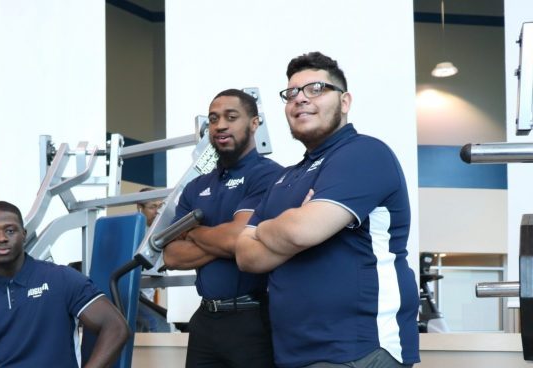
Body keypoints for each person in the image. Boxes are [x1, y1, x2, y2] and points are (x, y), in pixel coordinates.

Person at [235, 51, 420, 367]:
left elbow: (301, 231)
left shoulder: (364, 154)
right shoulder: (285, 177)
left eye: (315, 89)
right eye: (291, 93)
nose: (300, 99)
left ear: (345, 102)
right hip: (294, 353)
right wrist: (294, 226)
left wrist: (269, 229)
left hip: (360, 350)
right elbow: (244, 254)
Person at [163, 88, 284, 367]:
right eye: (213, 119)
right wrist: (229, 238)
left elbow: (235, 239)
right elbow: (171, 256)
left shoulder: (269, 175)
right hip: (205, 320)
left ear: (254, 123)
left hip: (252, 319)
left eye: (231, 117)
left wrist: (192, 231)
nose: (220, 125)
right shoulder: (197, 187)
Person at [0, 201, 129, 367]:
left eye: (10, 230)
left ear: (23, 234)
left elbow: (116, 327)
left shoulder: (61, 278)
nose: (1, 238)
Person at [135, 187, 171, 333]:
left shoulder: (161, 233)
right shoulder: (137, 233)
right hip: (134, 295)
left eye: (160, 206)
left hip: (145, 295)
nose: (157, 211)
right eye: (152, 207)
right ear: (140, 208)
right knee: (161, 325)